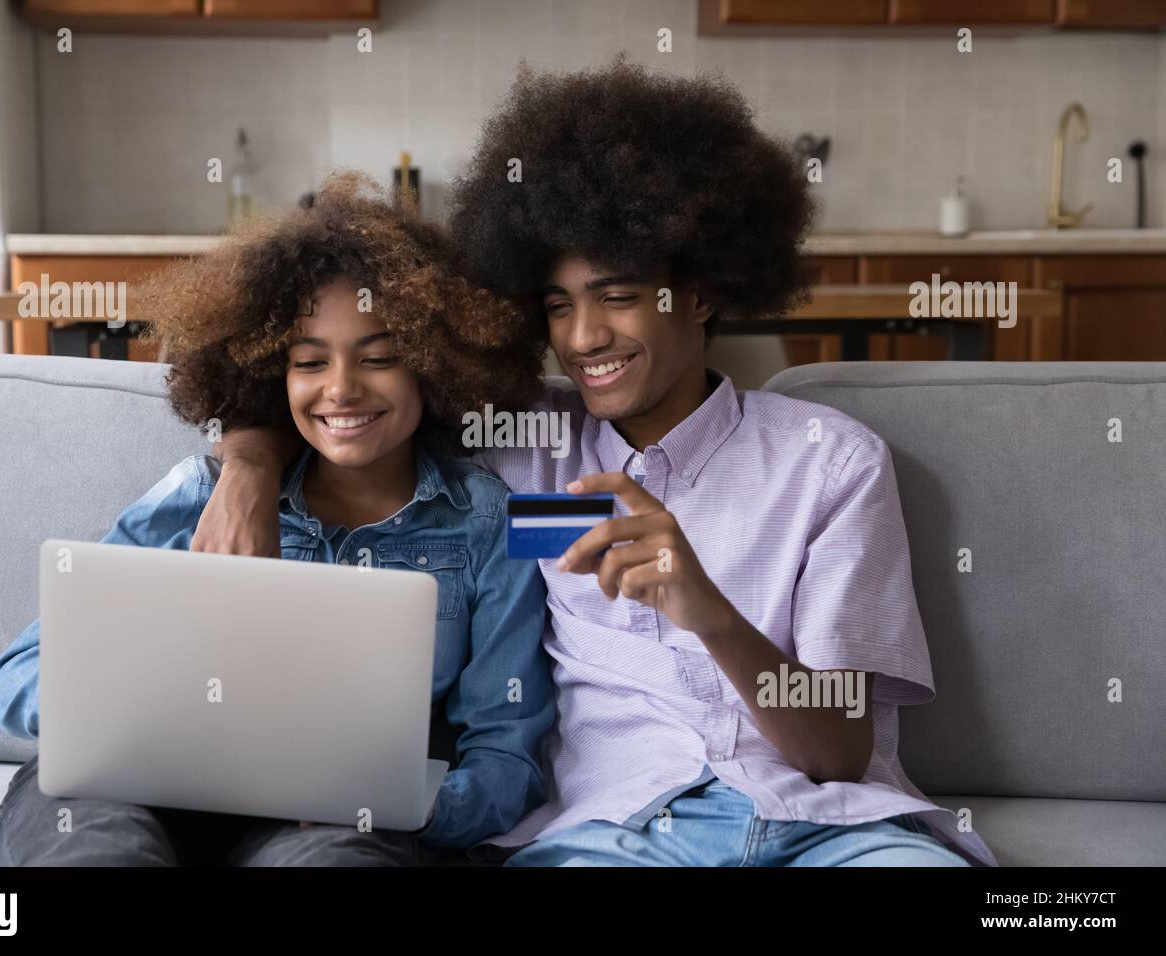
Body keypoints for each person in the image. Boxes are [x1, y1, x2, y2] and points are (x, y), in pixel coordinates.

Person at [190, 59, 998, 867]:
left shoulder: (828, 463)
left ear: (705, 290)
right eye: (557, 306)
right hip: (616, 839)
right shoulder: (516, 445)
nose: (582, 340)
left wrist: (709, 612)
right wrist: (250, 466)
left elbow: (836, 751)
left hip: (831, 831)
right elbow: (344, 405)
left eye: (618, 298)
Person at [0, 172, 556, 866]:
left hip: (325, 822)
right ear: (269, 374)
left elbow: (508, 751)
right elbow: (17, 674)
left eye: (379, 357)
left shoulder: (486, 522)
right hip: (143, 789)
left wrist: (423, 807)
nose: (342, 388)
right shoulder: (204, 491)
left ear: (434, 368)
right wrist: (120, 716)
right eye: (309, 361)